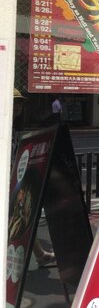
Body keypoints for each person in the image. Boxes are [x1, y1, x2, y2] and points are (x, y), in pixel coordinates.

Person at [12, 89, 55, 268]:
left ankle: (40, 254)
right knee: (20, 217)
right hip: (8, 180)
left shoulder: (13, 127)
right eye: (14, 102)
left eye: (20, 103)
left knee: (22, 216)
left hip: (14, 179)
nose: (17, 106)